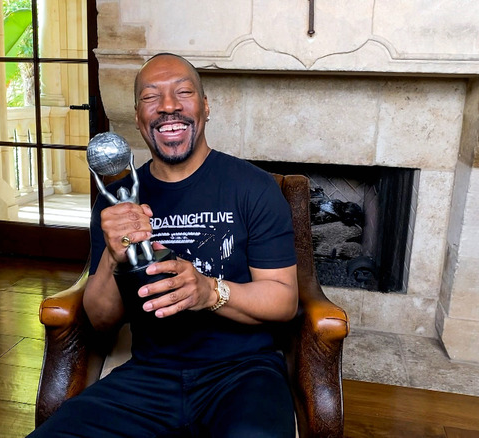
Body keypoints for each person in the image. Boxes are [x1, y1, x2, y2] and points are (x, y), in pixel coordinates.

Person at [28, 53, 299, 438]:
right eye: (151, 97)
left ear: (205, 108)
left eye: (183, 93)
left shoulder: (253, 187)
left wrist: (208, 291)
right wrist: (112, 255)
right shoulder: (117, 201)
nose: (168, 106)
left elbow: (283, 301)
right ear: (139, 118)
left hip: (243, 372)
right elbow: (101, 319)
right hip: (150, 375)